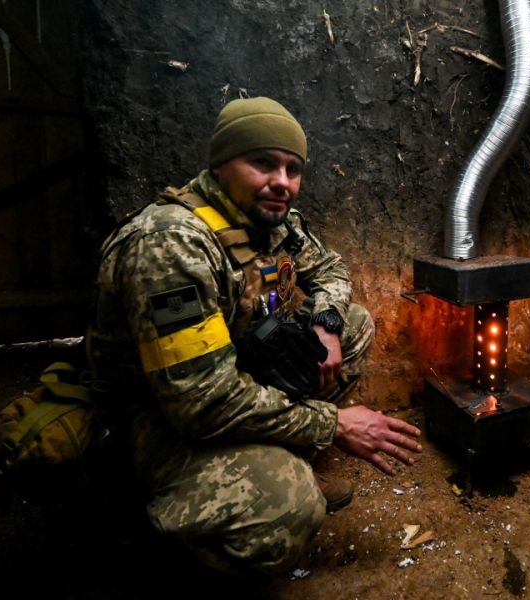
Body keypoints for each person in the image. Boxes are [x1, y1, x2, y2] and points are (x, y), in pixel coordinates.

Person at [89, 97, 422, 574]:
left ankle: (275, 457)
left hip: (232, 373)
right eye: (263, 163)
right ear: (220, 165)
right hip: (158, 417)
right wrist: (333, 425)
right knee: (288, 510)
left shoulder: (271, 223)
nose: (282, 182)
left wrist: (327, 325)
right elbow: (201, 403)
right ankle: (153, 520)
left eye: (293, 169)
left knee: (353, 324)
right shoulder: (171, 244)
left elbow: (330, 269)